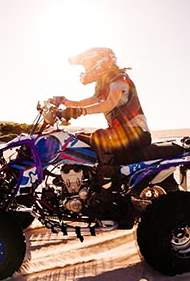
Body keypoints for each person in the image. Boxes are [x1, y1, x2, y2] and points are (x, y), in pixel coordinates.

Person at [51, 47, 152, 188]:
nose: (86, 69)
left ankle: (108, 183)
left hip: (137, 132)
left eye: (87, 64)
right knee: (77, 137)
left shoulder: (119, 79)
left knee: (99, 136)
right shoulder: (103, 87)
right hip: (120, 134)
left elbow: (109, 104)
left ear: (101, 62)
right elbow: (81, 103)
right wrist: (63, 102)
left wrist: (80, 111)